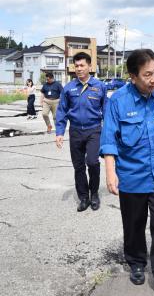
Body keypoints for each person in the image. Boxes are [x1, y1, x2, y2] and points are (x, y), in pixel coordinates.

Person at [100, 49, 154, 296]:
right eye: (148, 75)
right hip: (132, 176)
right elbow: (109, 140)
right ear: (133, 76)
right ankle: (136, 262)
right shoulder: (118, 101)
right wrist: (110, 172)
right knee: (134, 225)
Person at [55, 52, 107, 212]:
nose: (78, 69)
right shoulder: (69, 88)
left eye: (82, 65)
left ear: (90, 66)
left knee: (92, 162)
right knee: (78, 166)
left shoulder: (100, 86)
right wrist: (59, 132)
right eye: (76, 66)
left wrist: (111, 133)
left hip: (94, 131)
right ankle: (83, 197)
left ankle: (94, 193)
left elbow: (106, 111)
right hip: (76, 131)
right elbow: (62, 111)